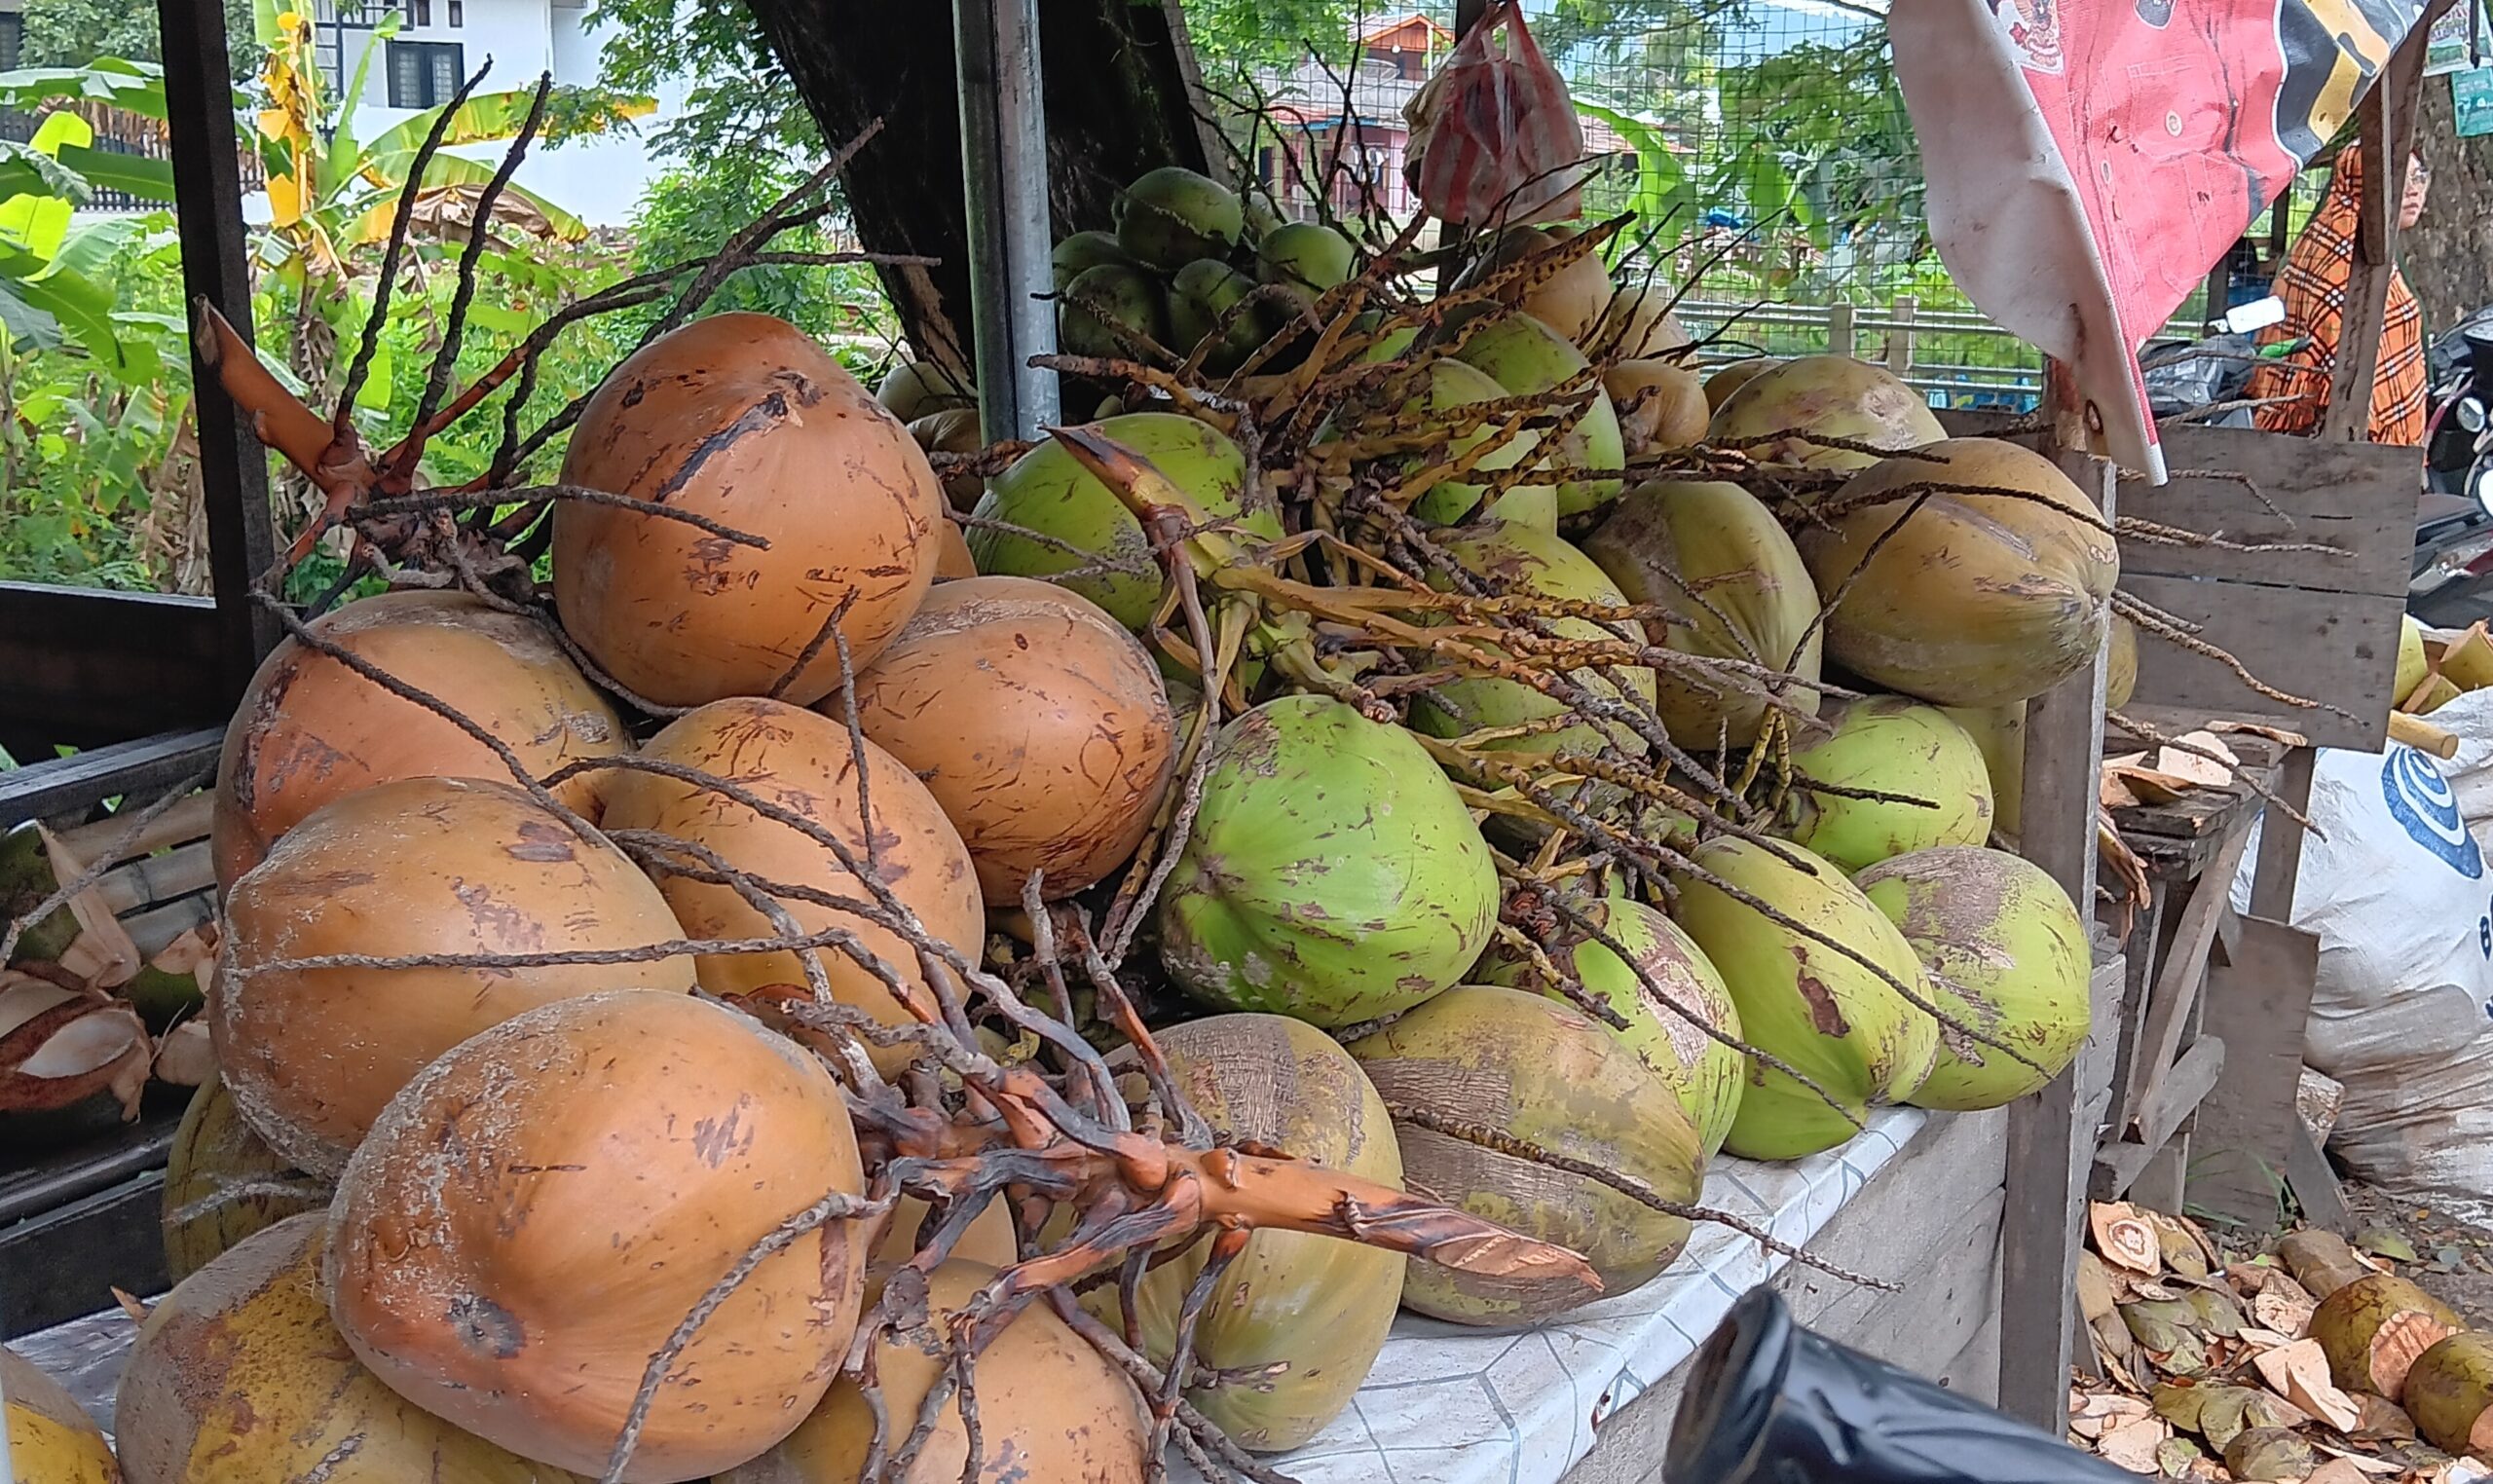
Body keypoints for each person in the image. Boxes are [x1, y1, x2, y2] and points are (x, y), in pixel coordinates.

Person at [2243, 145, 2432, 444]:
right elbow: (2337, 361)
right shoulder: (2348, 259)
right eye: (2399, 180)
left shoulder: (2346, 243)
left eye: (2419, 177)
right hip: (2344, 443)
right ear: (2365, 184)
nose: (2413, 191)